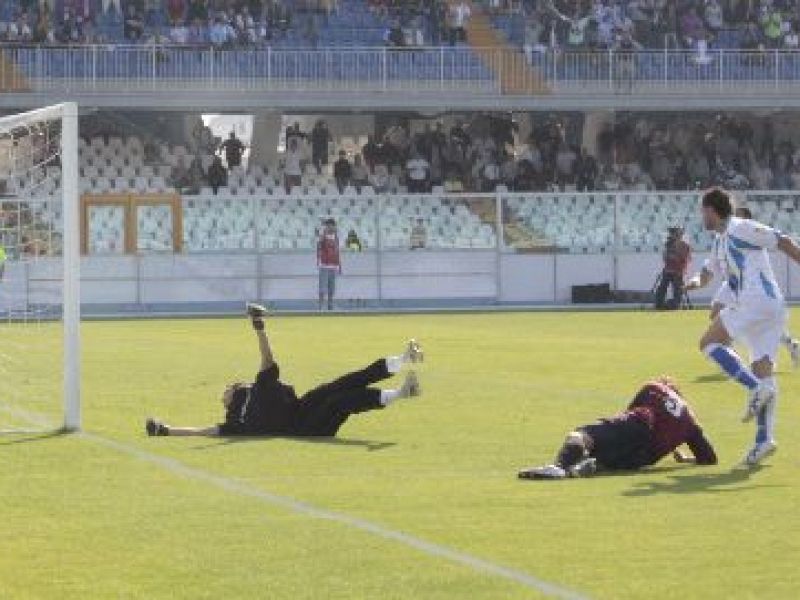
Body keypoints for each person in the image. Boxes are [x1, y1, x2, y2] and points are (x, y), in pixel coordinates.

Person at [145, 304, 424, 438]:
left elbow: (267, 358)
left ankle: (403, 358)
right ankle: (402, 392)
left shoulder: (258, 388)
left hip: (300, 408)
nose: (224, 391)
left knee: (343, 383)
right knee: (340, 401)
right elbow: (203, 431)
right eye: (226, 390)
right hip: (301, 429)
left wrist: (259, 328)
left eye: (227, 388)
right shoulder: (235, 423)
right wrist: (167, 430)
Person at [686, 188, 800, 466]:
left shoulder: (741, 227)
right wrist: (696, 282)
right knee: (763, 368)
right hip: (769, 309)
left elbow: (782, 240)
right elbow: (708, 272)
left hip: (755, 301)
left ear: (712, 210)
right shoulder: (720, 240)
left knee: (708, 343)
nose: (702, 216)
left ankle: (754, 388)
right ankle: (764, 439)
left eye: (703, 211)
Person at [518, 377, 717, 480]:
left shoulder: (654, 387)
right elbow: (709, 459)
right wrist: (686, 459)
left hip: (639, 425)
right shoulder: (691, 422)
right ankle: (587, 466)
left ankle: (559, 467)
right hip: (644, 458)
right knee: (606, 461)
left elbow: (628, 416)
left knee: (583, 435)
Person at [704, 206, 800, 367]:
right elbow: (711, 265)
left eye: (740, 217)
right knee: (716, 314)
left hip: (747, 286)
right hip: (732, 283)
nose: (736, 219)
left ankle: (734, 355)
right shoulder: (722, 237)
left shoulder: (747, 233)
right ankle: (734, 351)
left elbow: (782, 242)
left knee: (719, 331)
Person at [655, 226, 691, 310]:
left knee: (677, 290)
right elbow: (665, 258)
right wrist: (667, 254)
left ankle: (675, 305)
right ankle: (659, 304)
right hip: (668, 270)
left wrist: (674, 256)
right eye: (671, 234)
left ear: (679, 235)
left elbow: (685, 259)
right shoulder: (668, 245)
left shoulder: (684, 245)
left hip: (678, 271)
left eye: (673, 233)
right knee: (661, 288)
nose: (671, 236)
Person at [317, 218, 341, 311]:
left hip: (333, 265)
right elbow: (319, 248)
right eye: (329, 225)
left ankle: (330, 305)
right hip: (324, 265)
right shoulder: (323, 236)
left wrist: (339, 265)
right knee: (322, 287)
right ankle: (321, 306)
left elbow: (337, 252)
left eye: (332, 225)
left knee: (331, 288)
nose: (331, 227)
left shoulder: (336, 238)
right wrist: (319, 261)